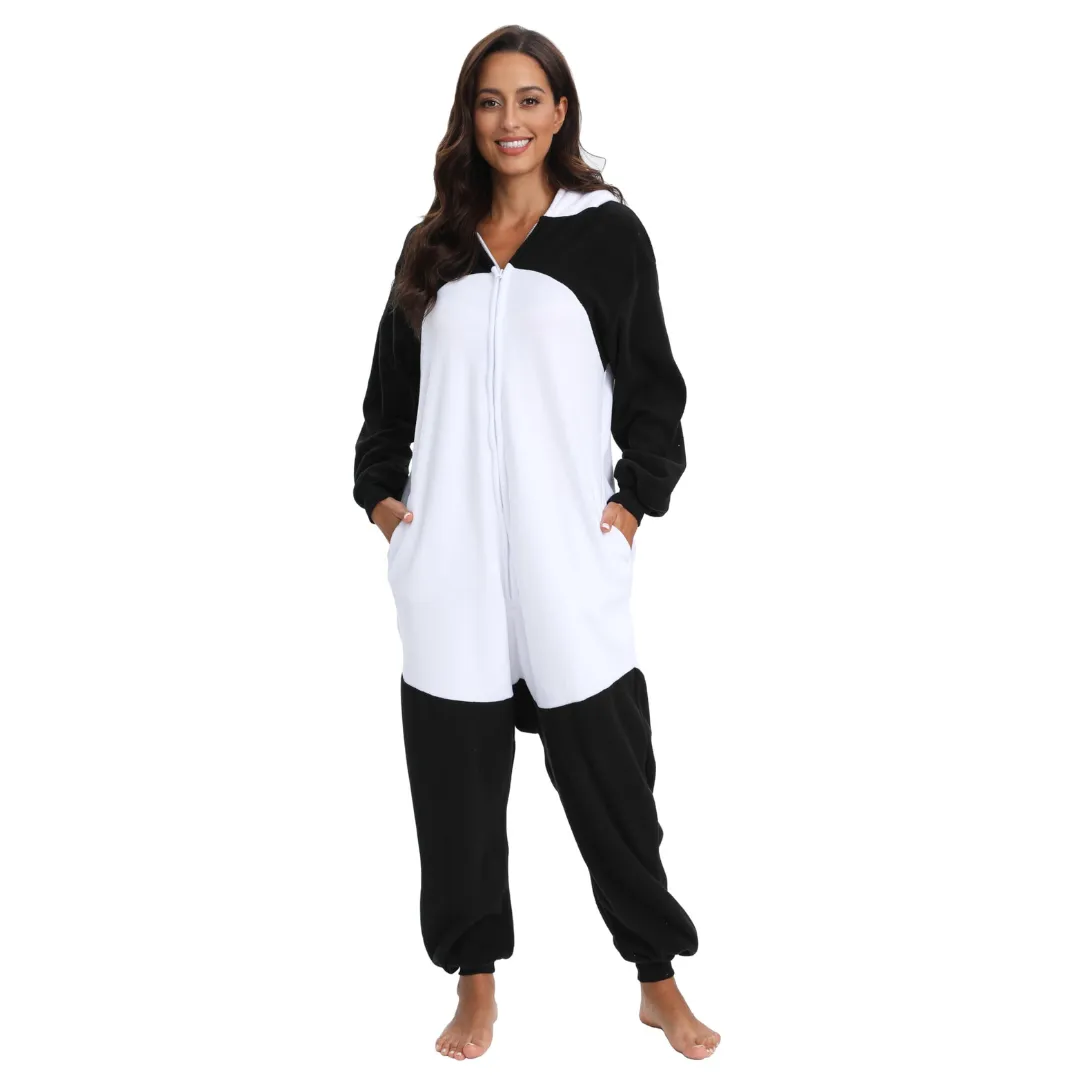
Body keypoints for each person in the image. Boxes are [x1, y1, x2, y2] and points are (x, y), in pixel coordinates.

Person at [353, 25, 720, 1062]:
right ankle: (475, 988)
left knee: (614, 785)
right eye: (489, 101)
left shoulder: (608, 236)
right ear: (468, 118)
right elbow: (384, 410)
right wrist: (390, 511)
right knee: (456, 797)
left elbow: (654, 398)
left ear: (560, 111)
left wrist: (628, 511)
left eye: (528, 99)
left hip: (570, 570)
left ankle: (657, 979)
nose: (508, 121)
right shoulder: (433, 246)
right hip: (451, 576)